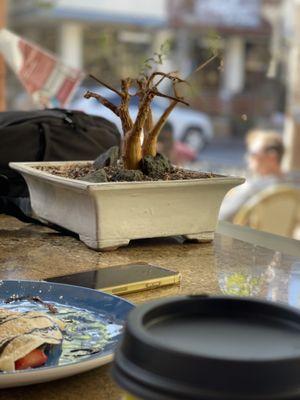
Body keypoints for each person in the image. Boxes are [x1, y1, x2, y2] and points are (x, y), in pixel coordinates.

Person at [219, 129, 286, 222]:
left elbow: (221, 216)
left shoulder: (253, 188)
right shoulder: (290, 187)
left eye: (252, 153)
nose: (247, 157)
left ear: (272, 156)